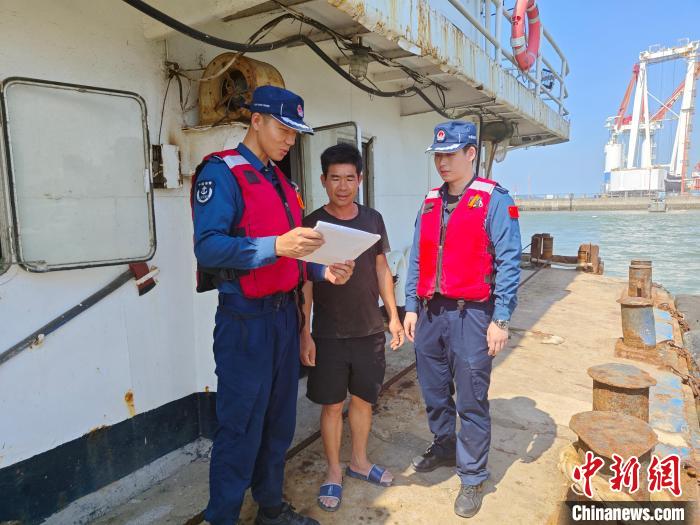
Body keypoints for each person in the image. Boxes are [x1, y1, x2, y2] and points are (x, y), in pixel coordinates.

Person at [191, 85, 355, 525]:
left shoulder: (283, 183)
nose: (289, 141)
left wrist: (324, 271)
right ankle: (221, 516)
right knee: (240, 426)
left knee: (279, 423)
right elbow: (208, 249)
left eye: (295, 134)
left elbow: (294, 256)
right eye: (283, 129)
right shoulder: (221, 173)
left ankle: (269, 508)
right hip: (245, 321)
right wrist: (276, 244)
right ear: (256, 121)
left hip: (285, 317)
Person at [403, 121, 521, 519]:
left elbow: (508, 262)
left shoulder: (494, 200)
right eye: (438, 155)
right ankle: (444, 445)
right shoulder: (430, 201)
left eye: (450, 154)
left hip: (471, 314)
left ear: (471, 153)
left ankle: (472, 477)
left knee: (471, 398)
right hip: (432, 313)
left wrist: (500, 320)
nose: (442, 163)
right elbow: (417, 257)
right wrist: (410, 307)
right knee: (433, 389)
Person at [299, 143, 404, 512]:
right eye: (334, 179)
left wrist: (392, 316)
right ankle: (332, 470)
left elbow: (380, 269)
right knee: (331, 406)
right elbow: (306, 283)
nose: (342, 186)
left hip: (368, 329)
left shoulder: (372, 219)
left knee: (363, 401)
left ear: (359, 179)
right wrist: (305, 331)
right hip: (328, 332)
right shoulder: (311, 223)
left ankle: (359, 461)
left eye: (349, 178)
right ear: (324, 181)